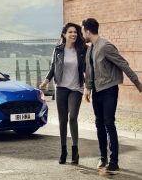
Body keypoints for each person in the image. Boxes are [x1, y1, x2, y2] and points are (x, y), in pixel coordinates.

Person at [81, 18, 142, 171]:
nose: (82, 34)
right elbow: (89, 71)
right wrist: (88, 88)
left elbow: (123, 63)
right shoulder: (90, 49)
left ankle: (114, 161)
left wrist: (138, 84)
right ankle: (103, 158)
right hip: (97, 91)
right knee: (98, 124)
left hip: (109, 90)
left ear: (88, 31)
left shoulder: (105, 46)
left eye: (82, 31)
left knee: (109, 123)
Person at [39, 23, 86, 164]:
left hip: (76, 88)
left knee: (72, 117)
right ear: (64, 34)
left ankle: (75, 150)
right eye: (70, 32)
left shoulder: (82, 49)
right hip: (61, 87)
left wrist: (89, 84)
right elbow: (53, 67)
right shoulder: (58, 49)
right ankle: (63, 150)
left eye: (75, 32)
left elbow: (88, 67)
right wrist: (46, 81)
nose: (74, 34)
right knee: (62, 120)